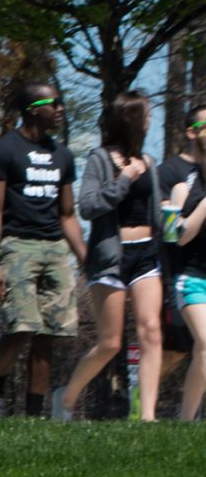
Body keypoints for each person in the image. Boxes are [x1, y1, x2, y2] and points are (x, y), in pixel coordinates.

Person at [58, 92, 165, 421]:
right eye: (146, 114)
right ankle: (66, 399)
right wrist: (123, 180)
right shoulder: (99, 159)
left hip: (147, 253)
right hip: (110, 257)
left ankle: (147, 416)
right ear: (131, 119)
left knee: (151, 331)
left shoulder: (148, 160)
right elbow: (88, 207)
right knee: (110, 343)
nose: (150, 120)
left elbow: (158, 212)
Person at [0, 81, 84, 417]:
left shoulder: (63, 155)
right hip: (17, 244)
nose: (60, 109)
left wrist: (86, 258)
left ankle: (34, 414)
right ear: (32, 108)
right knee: (21, 325)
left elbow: (68, 214)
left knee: (49, 334)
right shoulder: (3, 151)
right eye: (53, 103)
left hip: (55, 247)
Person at [166, 103, 206, 419]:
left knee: (201, 353)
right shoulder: (183, 188)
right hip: (192, 279)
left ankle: (186, 422)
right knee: (205, 345)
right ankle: (186, 420)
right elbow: (177, 237)